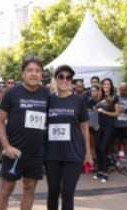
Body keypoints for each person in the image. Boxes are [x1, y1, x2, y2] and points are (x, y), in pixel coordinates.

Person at [0, 55, 49, 210]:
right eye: (30, 70)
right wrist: (6, 146)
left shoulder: (45, 94)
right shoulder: (12, 93)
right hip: (14, 151)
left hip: (36, 153)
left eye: (37, 71)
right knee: (6, 190)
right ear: (23, 74)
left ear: (41, 74)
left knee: (29, 189)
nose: (33, 74)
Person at [45, 65, 93, 210]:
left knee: (67, 193)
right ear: (55, 79)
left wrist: (88, 153)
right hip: (52, 155)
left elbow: (84, 127)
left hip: (73, 155)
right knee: (53, 192)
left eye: (68, 77)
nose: (64, 80)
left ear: (71, 80)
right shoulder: (49, 100)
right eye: (61, 76)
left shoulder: (79, 100)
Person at [93, 78, 120, 182]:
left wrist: (105, 112)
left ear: (111, 86)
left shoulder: (115, 98)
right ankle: (99, 172)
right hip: (98, 126)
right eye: (104, 83)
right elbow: (95, 112)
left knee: (104, 148)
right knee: (98, 149)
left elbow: (117, 113)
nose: (106, 85)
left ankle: (105, 173)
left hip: (109, 126)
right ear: (102, 85)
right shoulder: (99, 97)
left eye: (108, 84)